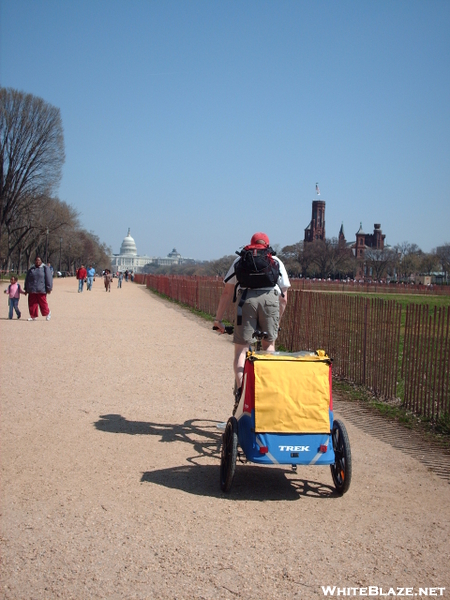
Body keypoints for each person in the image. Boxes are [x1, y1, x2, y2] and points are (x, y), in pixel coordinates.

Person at [213, 232, 290, 407]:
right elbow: (284, 298)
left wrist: (218, 320)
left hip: (246, 300)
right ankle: (267, 393)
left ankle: (242, 396)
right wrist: (276, 322)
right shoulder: (276, 261)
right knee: (268, 345)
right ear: (268, 245)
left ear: (251, 244)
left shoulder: (241, 260)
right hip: (270, 300)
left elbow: (227, 292)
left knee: (241, 350)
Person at [24, 256, 53, 321]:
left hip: (41, 289)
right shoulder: (31, 269)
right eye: (36, 260)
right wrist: (26, 288)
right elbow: (27, 279)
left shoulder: (45, 268)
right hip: (32, 289)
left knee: (43, 303)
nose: (37, 262)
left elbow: (49, 278)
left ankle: (47, 313)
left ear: (41, 261)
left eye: (39, 260)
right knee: (32, 303)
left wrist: (49, 288)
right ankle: (33, 316)